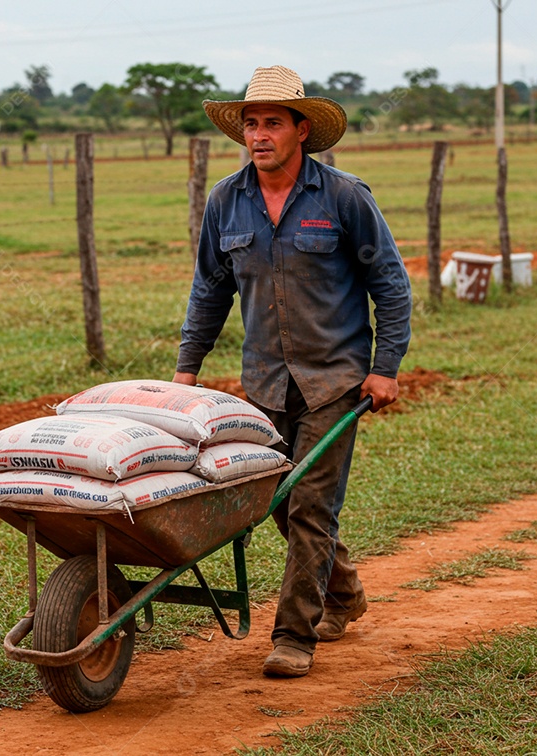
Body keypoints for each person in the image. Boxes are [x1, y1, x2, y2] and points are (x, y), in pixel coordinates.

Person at [172, 65, 412, 678]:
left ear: (301, 130)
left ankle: (293, 637)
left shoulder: (343, 197)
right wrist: (186, 371)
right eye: (250, 123)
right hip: (265, 383)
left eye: (272, 123)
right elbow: (209, 290)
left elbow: (389, 284)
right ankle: (345, 590)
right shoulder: (227, 200)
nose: (259, 135)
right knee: (273, 501)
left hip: (336, 379)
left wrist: (384, 368)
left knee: (309, 504)